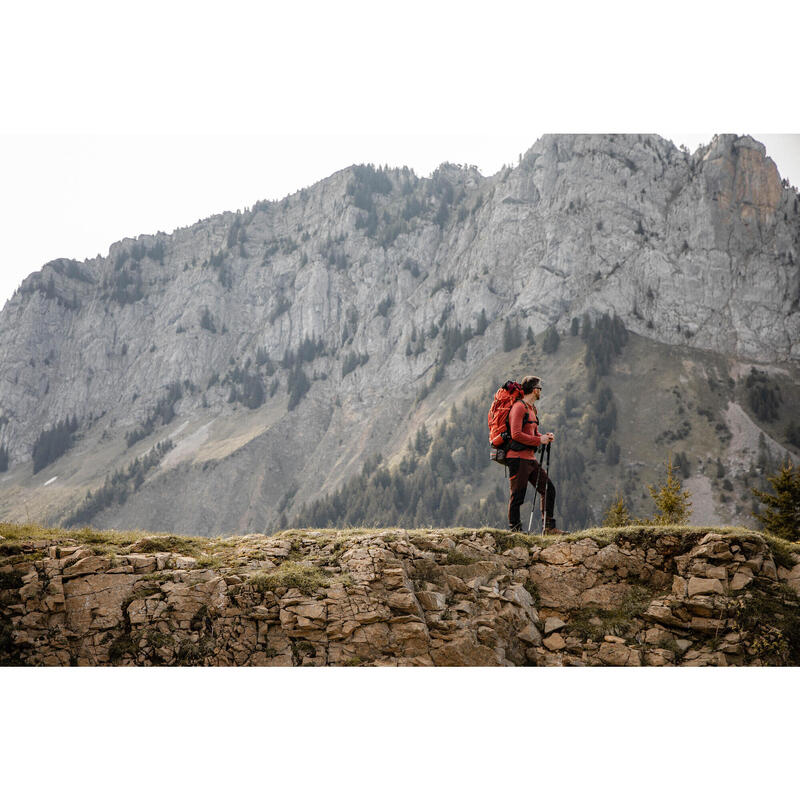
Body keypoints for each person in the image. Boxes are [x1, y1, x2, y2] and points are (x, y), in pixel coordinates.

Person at [506, 375, 558, 532]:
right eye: (540, 388)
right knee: (518, 495)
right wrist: (538, 440)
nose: (541, 391)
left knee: (548, 488)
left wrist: (544, 437)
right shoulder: (519, 407)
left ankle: (548, 527)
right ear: (535, 390)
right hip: (517, 458)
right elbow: (516, 434)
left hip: (529, 458)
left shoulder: (532, 409)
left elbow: (533, 433)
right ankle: (515, 530)